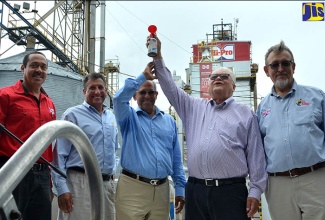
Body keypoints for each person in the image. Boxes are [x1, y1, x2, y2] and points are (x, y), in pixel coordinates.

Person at [148, 35, 267, 220]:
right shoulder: (193, 108)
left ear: (234, 86)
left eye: (224, 76)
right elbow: (170, 87)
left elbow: (256, 158)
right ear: (208, 86)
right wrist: (158, 56)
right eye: (214, 77)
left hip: (230, 193)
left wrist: (255, 191)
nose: (218, 78)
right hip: (196, 192)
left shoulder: (246, 114)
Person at [256, 40, 325, 220]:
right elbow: (258, 148)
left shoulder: (317, 97)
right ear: (266, 71)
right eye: (274, 65)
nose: (280, 68)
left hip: (316, 179)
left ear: (293, 66)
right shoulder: (262, 107)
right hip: (279, 184)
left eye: (285, 63)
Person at [113, 64, 187, 220]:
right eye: (142, 92)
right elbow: (118, 99)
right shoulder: (128, 118)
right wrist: (143, 76)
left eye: (151, 92)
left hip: (161, 190)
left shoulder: (169, 121)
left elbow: (175, 159)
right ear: (134, 95)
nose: (147, 96)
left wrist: (180, 188)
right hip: (133, 189)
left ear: (156, 95)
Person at [51, 73, 119, 220]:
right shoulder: (72, 115)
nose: (97, 91)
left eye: (101, 87)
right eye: (92, 88)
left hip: (106, 185)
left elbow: (114, 151)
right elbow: (58, 156)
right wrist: (62, 189)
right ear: (84, 91)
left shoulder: (111, 117)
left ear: (106, 91)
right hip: (80, 183)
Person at [0, 51, 56, 220]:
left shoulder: (50, 103)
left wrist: (49, 181)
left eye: (43, 67)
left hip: (42, 175)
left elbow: (48, 144)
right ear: (23, 68)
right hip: (13, 172)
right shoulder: (5, 95)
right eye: (34, 65)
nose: (39, 70)